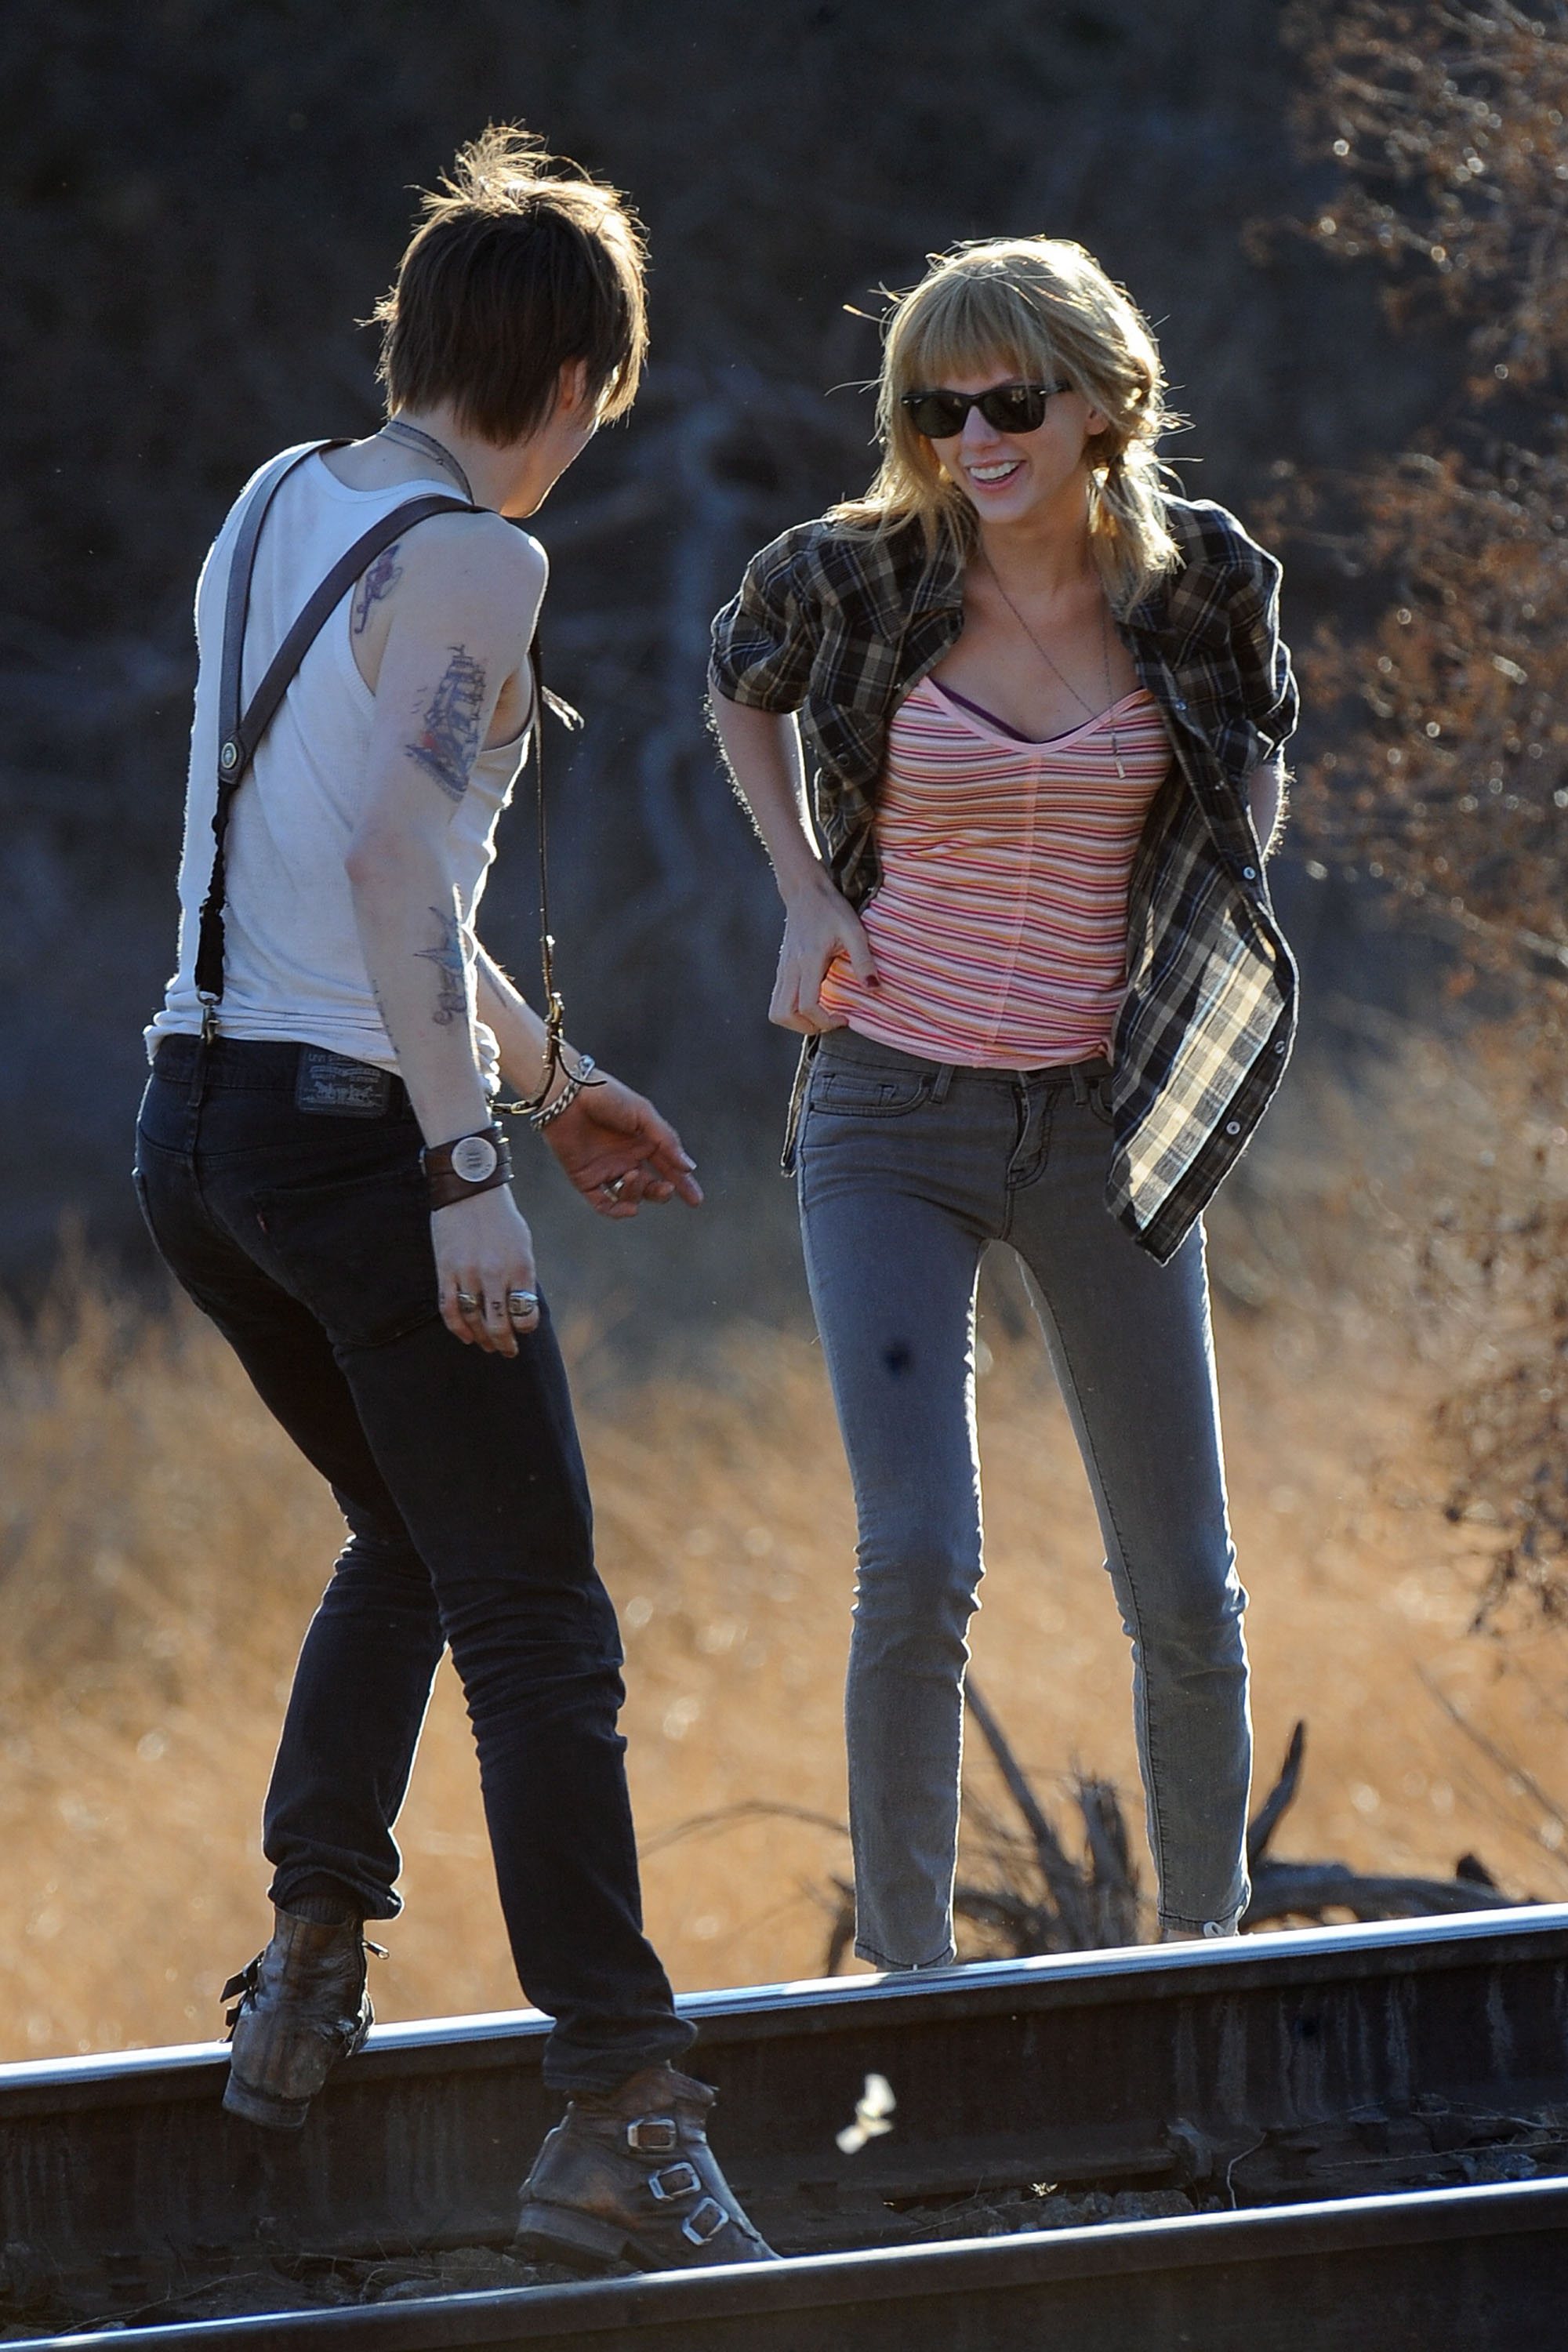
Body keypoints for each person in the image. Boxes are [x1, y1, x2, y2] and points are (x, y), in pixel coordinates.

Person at [135, 126, 773, 2272]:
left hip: (198, 1137)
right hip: (349, 1148)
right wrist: (467, 1171)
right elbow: (398, 863)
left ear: (415, 345)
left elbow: (351, 868)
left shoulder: (275, 503)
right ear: (580, 381)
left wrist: (554, 1080)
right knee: (538, 1621)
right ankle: (619, 2107)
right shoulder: (484, 564)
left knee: (414, 1532)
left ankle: (311, 1954)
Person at [709, 237, 1298, 1969]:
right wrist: (804, 892)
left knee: (1184, 1582)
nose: (972, 438)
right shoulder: (857, 574)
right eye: (935, 407)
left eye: (1011, 401)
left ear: (1102, 403)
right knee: (918, 1559)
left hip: (1103, 1121)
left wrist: (1217, 892)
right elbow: (737, 685)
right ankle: (909, 1984)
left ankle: (1204, 1957)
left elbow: (1260, 740)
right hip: (889, 1113)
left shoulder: (1201, 581)